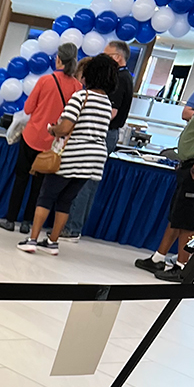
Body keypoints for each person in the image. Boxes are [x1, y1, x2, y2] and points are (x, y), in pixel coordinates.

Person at [18, 51, 118, 255]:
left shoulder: (82, 96)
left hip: (73, 154)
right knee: (66, 200)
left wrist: (51, 129)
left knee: (46, 196)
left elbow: (65, 128)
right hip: (94, 159)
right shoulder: (107, 103)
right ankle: (53, 242)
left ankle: (32, 239)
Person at [135, 58, 194, 282]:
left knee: (187, 218)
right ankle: (159, 257)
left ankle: (183, 266)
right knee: (178, 213)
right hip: (192, 165)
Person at [0, 42, 79, 235]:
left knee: (21, 178)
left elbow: (28, 109)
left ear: (58, 59)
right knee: (40, 185)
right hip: (52, 143)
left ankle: (10, 219)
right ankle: (27, 222)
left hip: (32, 136)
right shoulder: (77, 87)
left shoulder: (45, 80)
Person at [60, 39, 130, 240]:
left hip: (102, 134)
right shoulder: (123, 78)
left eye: (106, 56)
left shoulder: (118, 79)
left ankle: (72, 227)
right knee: (87, 182)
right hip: (106, 135)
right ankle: (75, 226)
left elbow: (112, 113)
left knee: (82, 181)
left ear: (117, 58)